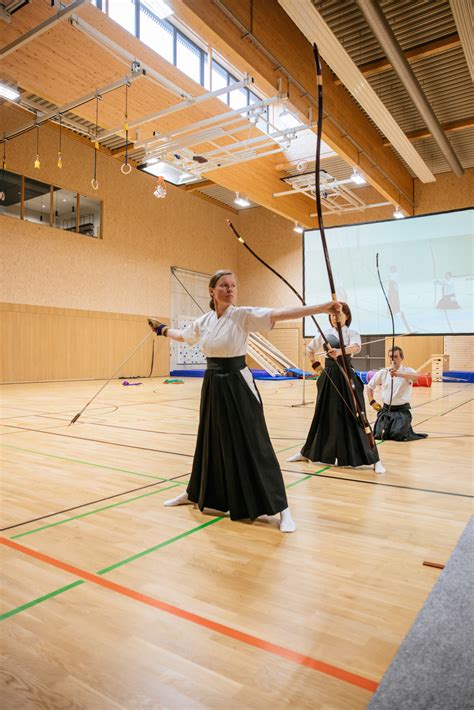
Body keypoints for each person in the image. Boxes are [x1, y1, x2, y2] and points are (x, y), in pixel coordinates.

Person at [148, 269, 343, 533]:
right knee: (209, 440)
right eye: (224, 285)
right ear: (211, 291)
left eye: (233, 285)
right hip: (213, 383)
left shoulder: (241, 315)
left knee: (255, 442)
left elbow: (278, 313)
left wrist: (321, 308)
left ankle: (282, 508)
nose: (230, 289)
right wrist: (161, 330)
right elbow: (184, 335)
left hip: (238, 383)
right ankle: (195, 493)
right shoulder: (205, 321)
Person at [288, 303, 385, 473]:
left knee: (357, 415)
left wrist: (339, 352)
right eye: (332, 315)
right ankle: (307, 452)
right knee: (322, 414)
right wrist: (318, 368)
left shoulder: (351, 333)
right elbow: (310, 350)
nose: (334, 317)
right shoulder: (325, 334)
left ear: (346, 316)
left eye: (338, 314)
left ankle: (374, 458)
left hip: (346, 375)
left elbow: (356, 347)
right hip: (329, 377)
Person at [367, 346, 428, 441]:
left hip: (401, 412)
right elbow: (370, 386)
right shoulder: (383, 372)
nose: (393, 359)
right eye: (391, 357)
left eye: (395, 356)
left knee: (398, 435)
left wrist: (398, 374)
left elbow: (416, 378)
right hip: (386, 410)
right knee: (379, 435)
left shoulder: (408, 371)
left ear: (402, 358)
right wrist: (372, 402)